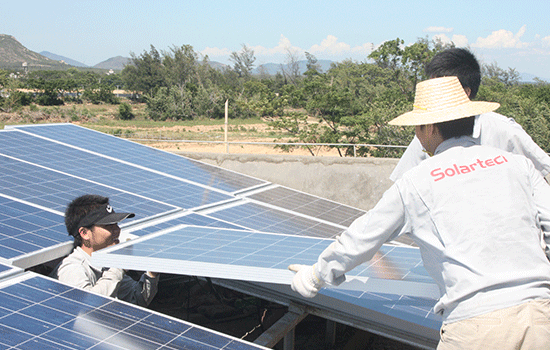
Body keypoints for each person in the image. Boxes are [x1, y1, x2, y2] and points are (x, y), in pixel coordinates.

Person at [289, 77, 550, 349]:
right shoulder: (518, 165)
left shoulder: (416, 182)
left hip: (476, 325)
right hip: (541, 316)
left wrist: (316, 276)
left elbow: (364, 237)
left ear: (430, 127)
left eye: (417, 125)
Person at [390, 48, 550, 182]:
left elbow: (540, 177)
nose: (433, 96)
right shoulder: (427, 134)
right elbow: (402, 186)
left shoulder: (504, 131)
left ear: (466, 92)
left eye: (440, 90)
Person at [51, 194, 159, 307]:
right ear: (84, 233)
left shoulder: (105, 264)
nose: (117, 230)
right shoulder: (72, 268)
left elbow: (135, 299)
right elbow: (87, 305)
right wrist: (118, 266)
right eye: (109, 226)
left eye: (116, 224)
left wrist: (152, 274)